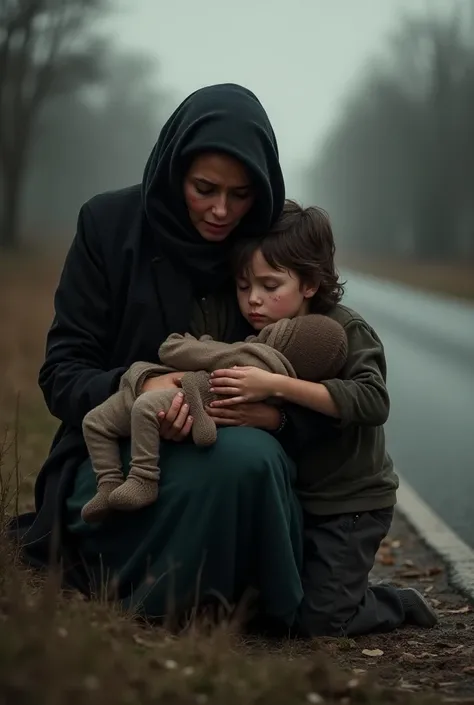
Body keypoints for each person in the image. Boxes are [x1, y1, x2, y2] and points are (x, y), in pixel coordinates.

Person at [11, 83, 333, 630]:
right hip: (111, 454)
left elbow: (326, 379)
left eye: (241, 195)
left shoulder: (267, 249)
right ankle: (175, 600)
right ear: (173, 170)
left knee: (250, 461)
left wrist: (272, 414)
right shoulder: (108, 226)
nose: (221, 210)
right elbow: (61, 375)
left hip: (234, 443)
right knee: (232, 467)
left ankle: (253, 609)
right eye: (204, 188)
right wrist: (146, 386)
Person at [207, 200, 438, 636]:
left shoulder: (347, 330)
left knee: (319, 623)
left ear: (310, 283)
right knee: (274, 609)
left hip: (350, 505)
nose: (253, 299)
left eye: (270, 285)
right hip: (296, 498)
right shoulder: (258, 338)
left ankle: (390, 602)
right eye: (243, 286)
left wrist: (276, 387)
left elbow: (372, 401)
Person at [80, 313, 348, 523]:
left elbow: (173, 351)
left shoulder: (253, 356)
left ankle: (141, 479)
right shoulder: (279, 381)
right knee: (102, 419)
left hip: (184, 395)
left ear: (287, 338)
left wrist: (189, 343)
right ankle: (109, 487)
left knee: (128, 412)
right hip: (197, 403)